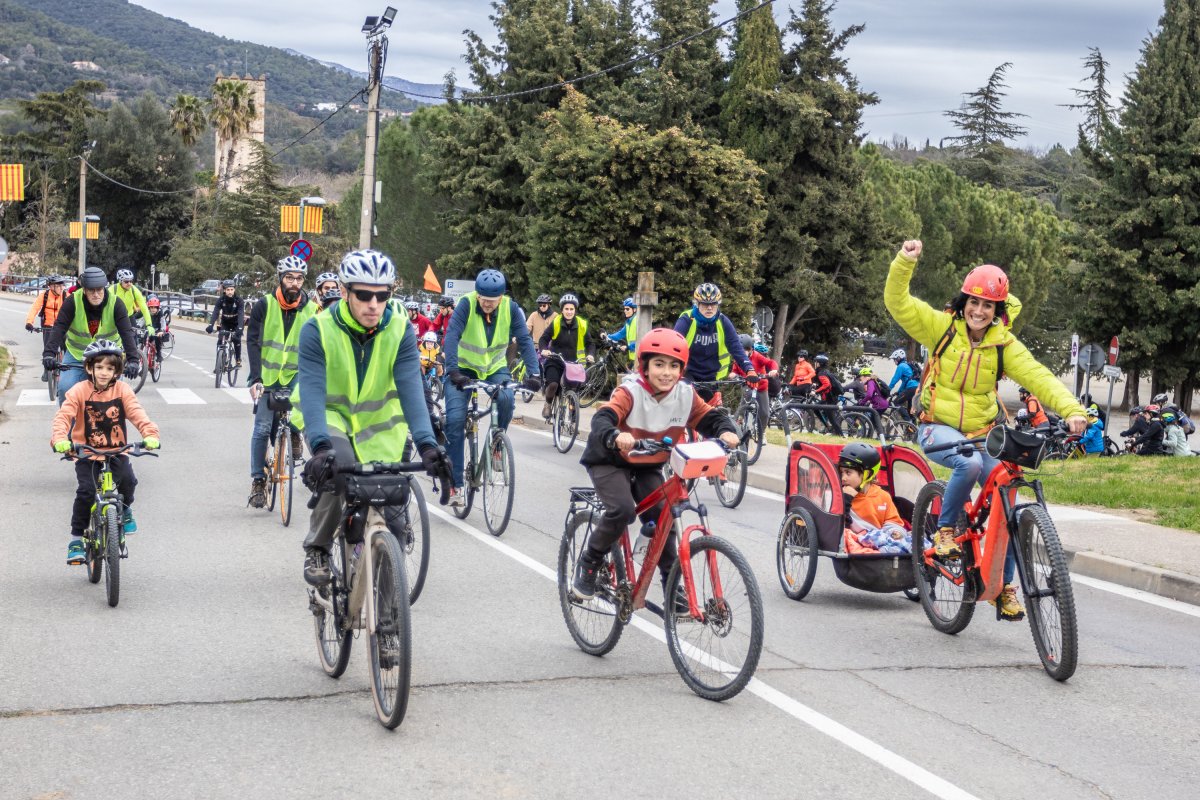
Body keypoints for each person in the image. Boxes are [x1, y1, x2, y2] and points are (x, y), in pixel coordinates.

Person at [884, 239, 1086, 621]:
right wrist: (904, 262)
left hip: (985, 431)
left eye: (987, 305)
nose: (979, 311)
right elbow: (899, 302)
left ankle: (1002, 586)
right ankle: (945, 532)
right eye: (973, 302)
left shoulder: (1002, 345)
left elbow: (1039, 377)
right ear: (964, 303)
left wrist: (1073, 410)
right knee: (968, 465)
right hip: (937, 427)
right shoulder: (942, 329)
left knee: (1008, 494)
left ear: (997, 310)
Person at [292, 250, 451, 585]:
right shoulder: (317, 330)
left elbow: (411, 389)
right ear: (345, 292)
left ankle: (386, 615)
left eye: (383, 295)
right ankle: (318, 546)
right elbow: (311, 391)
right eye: (364, 295)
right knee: (338, 471)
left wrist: (428, 445)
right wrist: (320, 448)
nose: (373, 304)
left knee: (393, 520)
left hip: (381, 427)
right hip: (331, 419)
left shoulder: (400, 329)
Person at [573, 328, 740, 606]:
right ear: (645, 366)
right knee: (622, 509)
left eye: (674, 366)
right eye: (659, 364)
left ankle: (672, 588)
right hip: (611, 460)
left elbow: (709, 418)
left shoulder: (685, 395)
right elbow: (603, 417)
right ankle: (589, 562)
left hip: (649, 463)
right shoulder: (630, 391)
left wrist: (726, 431)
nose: (667, 372)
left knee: (665, 517)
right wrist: (615, 436)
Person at [50, 339, 161, 565]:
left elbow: (138, 414)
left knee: (128, 481)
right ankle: (76, 539)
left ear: (116, 371)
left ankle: (126, 510)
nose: (104, 372)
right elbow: (64, 417)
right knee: (86, 491)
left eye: (110, 368)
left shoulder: (123, 390)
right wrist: (61, 438)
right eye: (99, 367)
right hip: (85, 452)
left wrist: (150, 435)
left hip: (116, 450)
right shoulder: (79, 391)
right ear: (89, 368)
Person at [442, 268, 542, 506]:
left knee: (507, 398)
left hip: (494, 368)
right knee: (455, 421)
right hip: (463, 370)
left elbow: (525, 340)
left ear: (501, 297)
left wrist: (535, 373)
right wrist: (453, 370)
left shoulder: (511, 309)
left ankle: (496, 444)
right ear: (477, 295)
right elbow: (452, 336)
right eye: (484, 300)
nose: (488, 304)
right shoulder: (465, 305)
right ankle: (456, 485)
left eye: (492, 301)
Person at [246, 255, 316, 507]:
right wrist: (255, 378)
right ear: (280, 279)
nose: (294, 283)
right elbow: (253, 342)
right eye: (289, 277)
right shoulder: (264, 305)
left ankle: (294, 434)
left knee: (300, 412)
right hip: (266, 375)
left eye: (299, 278)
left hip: (296, 374)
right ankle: (257, 482)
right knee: (263, 428)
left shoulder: (311, 308)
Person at [43, 266, 142, 405]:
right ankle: (69, 426)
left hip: (109, 356)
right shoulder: (72, 302)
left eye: (99, 290)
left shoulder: (116, 304)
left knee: (115, 396)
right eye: (91, 290)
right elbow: (59, 328)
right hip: (77, 356)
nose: (96, 294)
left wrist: (133, 360)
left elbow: (127, 333)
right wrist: (48, 354)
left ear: (104, 288)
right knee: (65, 388)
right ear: (84, 290)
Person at [672, 282, 755, 402]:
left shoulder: (723, 321)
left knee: (713, 414)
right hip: (688, 372)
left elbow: (736, 347)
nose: (710, 308)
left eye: (713, 304)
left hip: (711, 376)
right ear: (697, 304)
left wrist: (749, 369)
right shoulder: (687, 319)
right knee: (687, 408)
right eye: (705, 304)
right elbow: (674, 344)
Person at [838, 443, 910, 555]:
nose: (843, 478)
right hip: (854, 543)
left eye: (848, 472)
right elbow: (837, 525)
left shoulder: (882, 496)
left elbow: (893, 522)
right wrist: (846, 499)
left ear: (867, 474)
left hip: (880, 541)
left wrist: (895, 532)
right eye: (841, 472)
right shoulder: (839, 495)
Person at [539, 293, 596, 418]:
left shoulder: (581, 324)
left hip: (574, 363)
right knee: (553, 384)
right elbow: (543, 339)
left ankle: (573, 414)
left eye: (571, 309)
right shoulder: (556, 322)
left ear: (575, 310)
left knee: (574, 389)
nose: (569, 312)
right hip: (555, 360)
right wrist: (544, 350)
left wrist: (591, 355)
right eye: (566, 309)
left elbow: (590, 343)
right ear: (562, 310)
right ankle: (548, 404)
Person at [731, 334, 777, 432]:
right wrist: (733, 375)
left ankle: (762, 432)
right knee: (743, 404)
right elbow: (734, 371)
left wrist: (774, 370)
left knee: (764, 413)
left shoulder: (757, 356)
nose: (742, 352)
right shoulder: (738, 358)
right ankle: (739, 421)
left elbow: (771, 363)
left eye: (745, 350)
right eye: (740, 350)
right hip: (747, 385)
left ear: (751, 349)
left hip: (761, 386)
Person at [26, 275, 66, 380]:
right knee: (48, 349)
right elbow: (34, 308)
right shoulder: (44, 295)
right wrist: (29, 322)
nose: (61, 288)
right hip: (48, 326)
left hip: (62, 326)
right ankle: (46, 369)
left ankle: (66, 370)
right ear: (51, 287)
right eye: (58, 286)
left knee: (66, 349)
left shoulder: (66, 295)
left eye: (62, 285)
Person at [206, 279, 245, 367]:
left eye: (231, 289)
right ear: (224, 290)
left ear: (234, 290)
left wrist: (239, 328)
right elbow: (216, 312)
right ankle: (219, 363)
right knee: (220, 340)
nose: (230, 292)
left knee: (236, 339)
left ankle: (238, 359)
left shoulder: (239, 300)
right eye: (228, 290)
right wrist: (210, 325)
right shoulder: (221, 300)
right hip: (225, 323)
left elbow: (241, 314)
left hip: (236, 323)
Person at [112, 269, 155, 336]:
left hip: (129, 316)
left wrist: (149, 324)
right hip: (115, 317)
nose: (129, 283)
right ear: (120, 281)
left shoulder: (134, 290)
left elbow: (144, 307)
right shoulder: (112, 290)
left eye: (131, 281)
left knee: (133, 339)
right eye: (126, 281)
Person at [812, 354, 844, 435]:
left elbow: (827, 385)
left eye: (816, 362)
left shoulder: (822, 373)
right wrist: (816, 386)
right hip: (829, 398)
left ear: (819, 363)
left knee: (832, 418)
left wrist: (816, 391)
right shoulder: (824, 371)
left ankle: (840, 435)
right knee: (815, 408)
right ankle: (827, 426)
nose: (815, 364)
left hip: (830, 399)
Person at [603, 297, 639, 367]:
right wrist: (608, 336)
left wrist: (628, 347)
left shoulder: (637, 320)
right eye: (624, 309)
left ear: (634, 309)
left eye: (627, 309)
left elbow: (642, 340)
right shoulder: (629, 322)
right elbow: (621, 333)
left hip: (640, 358)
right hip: (634, 358)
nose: (625, 311)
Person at [887, 348, 919, 419]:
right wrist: (898, 392)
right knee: (910, 410)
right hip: (916, 388)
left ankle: (907, 422)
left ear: (898, 358)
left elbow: (894, 380)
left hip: (911, 388)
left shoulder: (901, 366)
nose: (894, 361)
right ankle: (912, 427)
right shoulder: (906, 365)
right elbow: (905, 382)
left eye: (894, 359)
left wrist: (887, 389)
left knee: (896, 403)